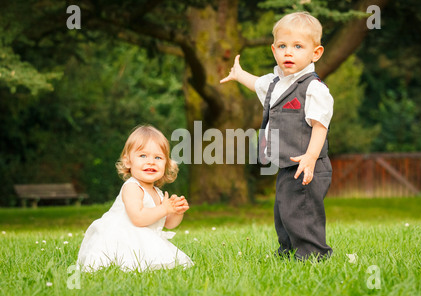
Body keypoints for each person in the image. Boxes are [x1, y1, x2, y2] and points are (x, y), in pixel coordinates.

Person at [220, 12, 333, 261]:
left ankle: (313, 255)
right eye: (282, 46)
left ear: (316, 53)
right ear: (274, 50)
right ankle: (288, 251)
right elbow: (258, 83)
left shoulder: (314, 88)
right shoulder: (275, 83)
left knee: (302, 212)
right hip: (286, 164)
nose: (288, 52)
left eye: (297, 46)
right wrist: (239, 75)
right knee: (284, 211)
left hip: (308, 164)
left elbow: (320, 126)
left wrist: (311, 158)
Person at [77, 125, 193, 272]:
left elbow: (168, 224)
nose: (151, 161)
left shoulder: (157, 192)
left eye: (158, 157)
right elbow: (138, 218)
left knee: (163, 262)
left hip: (142, 238)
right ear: (128, 161)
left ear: (166, 164)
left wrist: (176, 211)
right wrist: (164, 208)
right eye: (143, 156)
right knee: (130, 264)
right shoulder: (132, 187)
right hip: (121, 239)